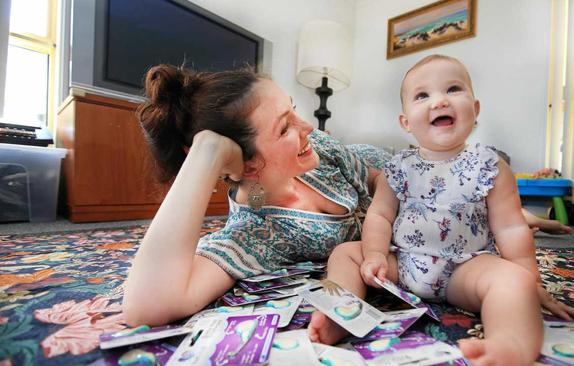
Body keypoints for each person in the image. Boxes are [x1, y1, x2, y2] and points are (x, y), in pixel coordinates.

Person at [307, 55, 574, 365]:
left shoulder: (491, 167)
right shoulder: (396, 169)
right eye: (422, 95)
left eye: (453, 89)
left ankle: (509, 344)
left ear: (475, 109)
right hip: (403, 262)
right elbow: (379, 215)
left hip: (464, 270)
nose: (439, 101)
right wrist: (374, 255)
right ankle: (341, 312)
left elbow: (511, 228)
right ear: (406, 122)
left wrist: (531, 280)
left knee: (514, 281)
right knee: (345, 253)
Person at [122, 65, 386, 326]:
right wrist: (207, 151)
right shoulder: (255, 232)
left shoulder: (315, 146)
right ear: (247, 165)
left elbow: (376, 178)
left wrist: (385, 212)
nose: (307, 127)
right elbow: (145, 307)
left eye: (293, 110)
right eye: (284, 128)